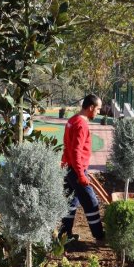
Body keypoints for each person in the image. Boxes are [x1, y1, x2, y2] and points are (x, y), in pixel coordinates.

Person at [59, 94, 105, 244]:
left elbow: (68, 147)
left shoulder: (72, 120)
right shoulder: (81, 124)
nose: (98, 112)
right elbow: (75, 151)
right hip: (75, 170)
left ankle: (64, 236)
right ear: (90, 107)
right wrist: (80, 174)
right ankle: (99, 236)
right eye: (98, 109)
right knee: (91, 202)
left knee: (71, 202)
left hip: (69, 167)